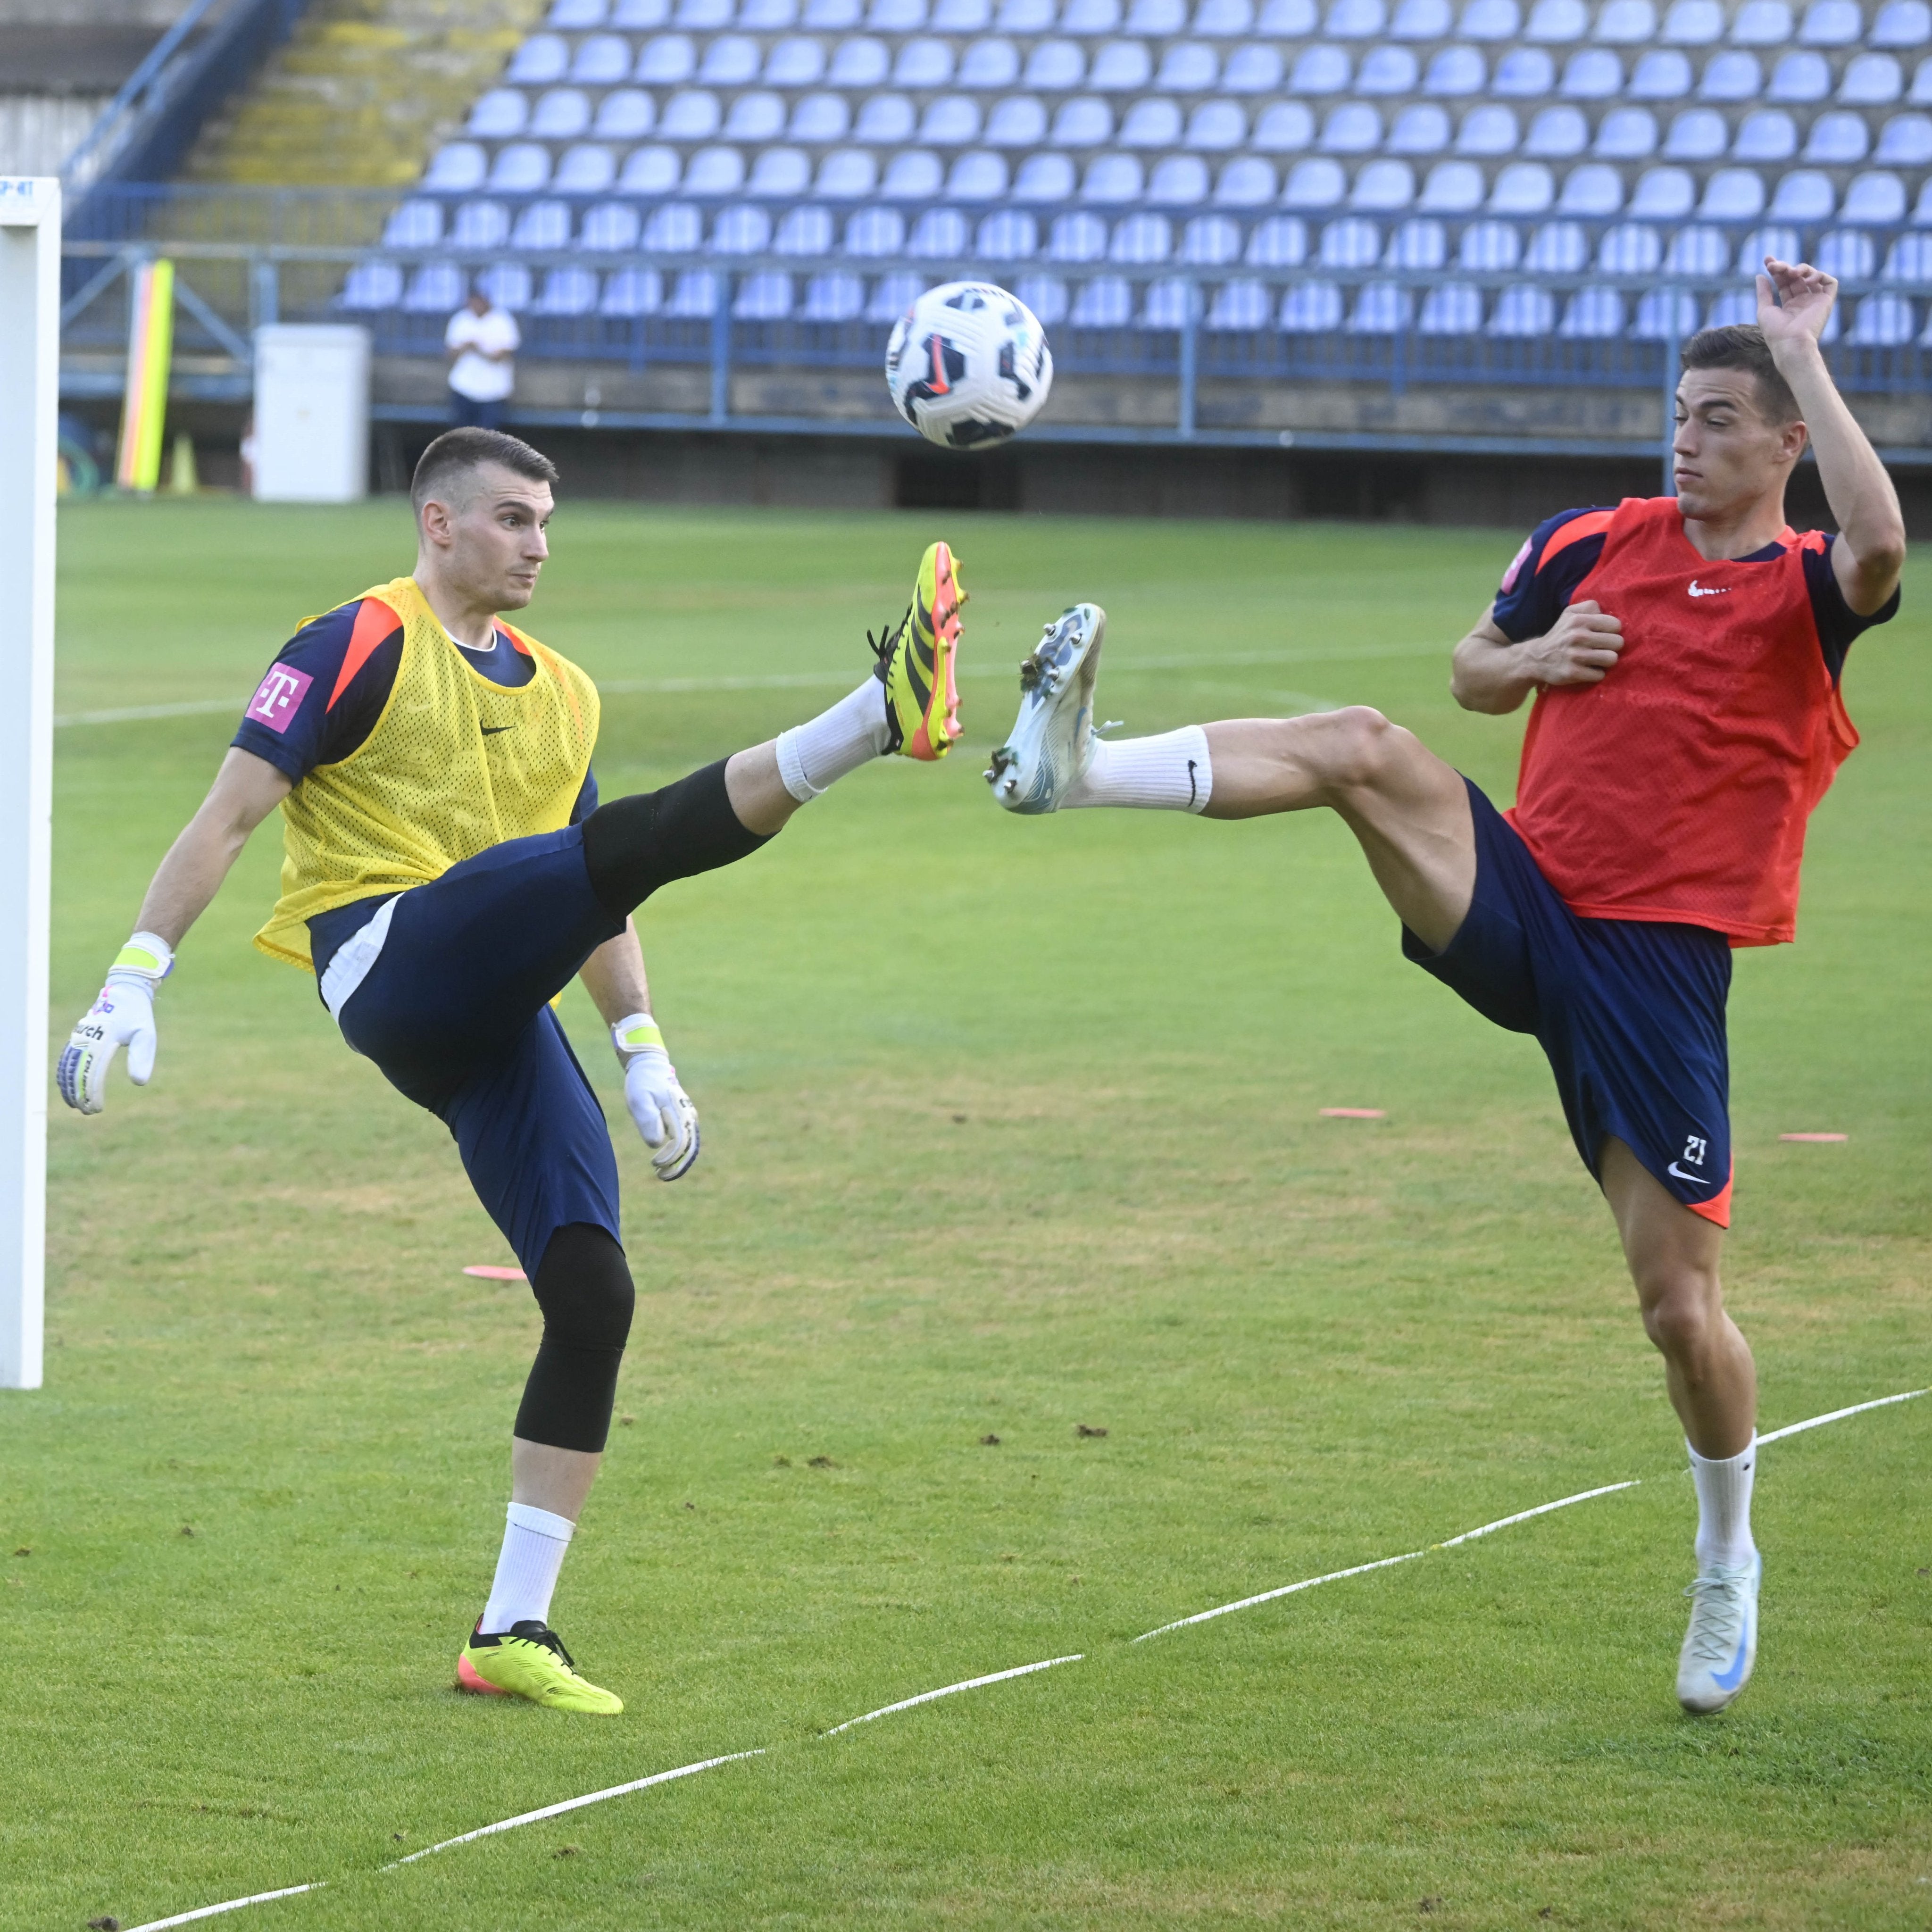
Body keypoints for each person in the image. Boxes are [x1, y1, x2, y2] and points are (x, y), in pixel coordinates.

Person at [984, 262, 1903, 1715]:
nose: (1686, 441)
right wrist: (1537, 653)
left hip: (1664, 969)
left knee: (1678, 1312)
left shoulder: (1803, 585)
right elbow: (1473, 674)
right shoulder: (1594, 539)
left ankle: (1727, 1552)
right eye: (1680, 414)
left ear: (1787, 440)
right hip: (1530, 895)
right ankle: (1076, 768)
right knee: (1363, 742)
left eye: (1723, 420)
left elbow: (1878, 546)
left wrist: (1802, 351)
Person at [58, 427, 967, 1715]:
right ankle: (882, 715)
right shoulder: (352, 641)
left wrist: (642, 1048)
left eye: (547, 521)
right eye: (512, 519)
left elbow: (578, 891)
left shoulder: (565, 690)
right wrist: (132, 976)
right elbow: (230, 815)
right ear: (438, 523)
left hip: (496, 1000)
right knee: (602, 854)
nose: (538, 543)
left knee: (593, 1291)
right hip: (392, 960)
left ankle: (510, 1630)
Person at [444, 288, 519, 429]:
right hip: (464, 387)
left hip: (494, 391)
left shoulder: (502, 320)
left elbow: (501, 356)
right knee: (461, 436)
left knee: (487, 439)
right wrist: (464, 347)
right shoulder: (461, 319)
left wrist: (477, 348)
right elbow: (450, 354)